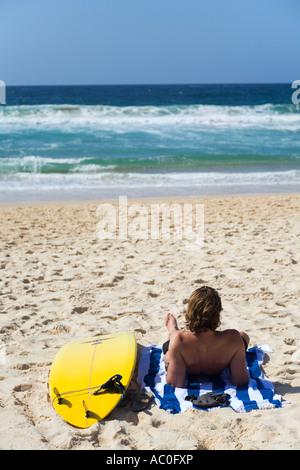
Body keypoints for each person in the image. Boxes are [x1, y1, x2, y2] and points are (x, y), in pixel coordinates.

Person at [163, 286, 250, 388]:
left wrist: (168, 363)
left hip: (186, 353)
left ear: (190, 313)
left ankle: (172, 330)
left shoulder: (179, 339)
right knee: (243, 336)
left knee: (171, 341)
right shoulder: (233, 338)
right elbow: (240, 381)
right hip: (221, 358)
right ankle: (173, 331)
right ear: (218, 314)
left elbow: (175, 383)